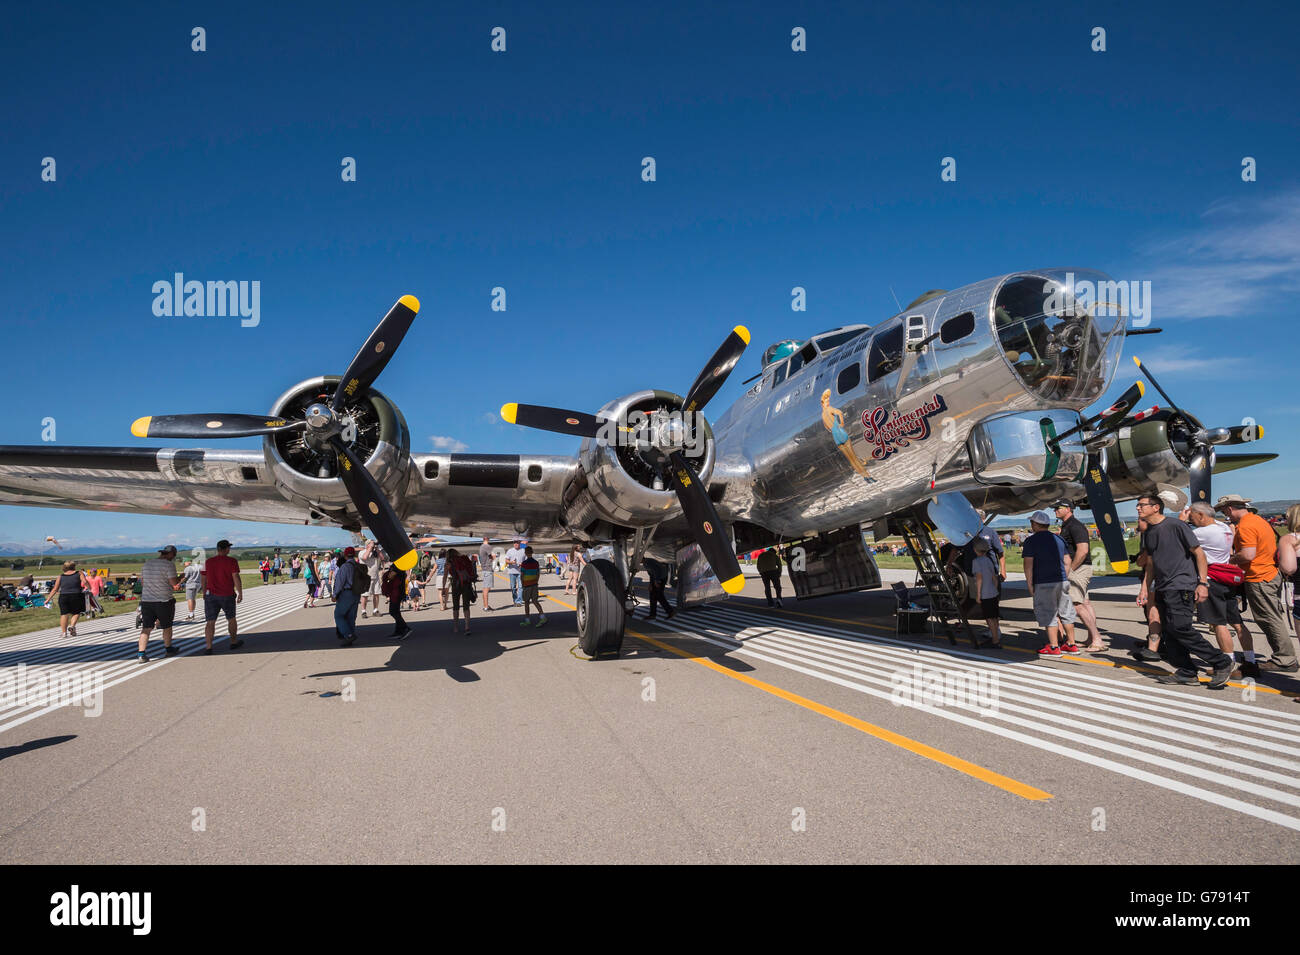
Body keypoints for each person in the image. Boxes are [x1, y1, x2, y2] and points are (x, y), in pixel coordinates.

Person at [1137, 492, 1232, 688]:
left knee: (1181, 627)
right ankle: (1187, 671)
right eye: (1137, 506)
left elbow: (1199, 553)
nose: (1138, 508)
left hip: (1182, 585)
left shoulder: (1176, 526)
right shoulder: (1150, 532)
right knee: (1170, 632)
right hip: (1163, 587)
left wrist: (1203, 583)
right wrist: (1145, 588)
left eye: (1142, 505)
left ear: (1156, 507)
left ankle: (1221, 662)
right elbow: (1151, 563)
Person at [1217, 494, 1297, 673]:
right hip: (1268, 573)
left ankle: (1285, 658)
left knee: (1268, 618)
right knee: (1271, 616)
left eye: (1224, 511)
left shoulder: (1245, 526)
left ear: (1230, 508)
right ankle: (1284, 656)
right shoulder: (1258, 520)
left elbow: (1248, 555)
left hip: (1259, 576)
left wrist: (1230, 560)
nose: (1225, 515)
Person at [1188, 502, 1253, 678]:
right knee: (1237, 622)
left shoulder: (1201, 533)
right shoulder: (1224, 527)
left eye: (1192, 516)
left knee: (1218, 623)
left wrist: (1181, 521)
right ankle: (1251, 660)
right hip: (1227, 577)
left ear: (1201, 515)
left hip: (1212, 578)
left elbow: (1179, 541)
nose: (1190, 519)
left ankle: (1227, 663)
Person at [1021, 510, 1076, 656]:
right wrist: (1064, 576)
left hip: (1043, 582)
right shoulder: (1058, 539)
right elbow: (1067, 561)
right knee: (1066, 612)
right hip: (1061, 581)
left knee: (1048, 613)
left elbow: (1028, 565)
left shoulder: (1030, 541)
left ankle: (1053, 646)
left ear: (1035, 524)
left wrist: (1029, 584)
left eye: (1032, 522)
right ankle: (1071, 643)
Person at [1054, 500, 1105, 652]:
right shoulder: (1067, 525)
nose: (1055, 510)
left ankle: (1097, 640)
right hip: (1080, 568)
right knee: (1085, 603)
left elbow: (1082, 550)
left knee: (1077, 605)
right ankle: (1091, 638)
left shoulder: (1075, 526)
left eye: (1058, 508)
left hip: (1078, 568)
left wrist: (1071, 570)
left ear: (1068, 509)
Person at [138, 545, 182, 662]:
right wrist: (181, 577)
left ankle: (141, 654)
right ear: (171, 554)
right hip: (164, 601)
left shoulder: (147, 564)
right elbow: (174, 583)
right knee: (167, 626)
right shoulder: (169, 565)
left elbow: (143, 583)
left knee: (146, 628)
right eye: (174, 555)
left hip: (146, 601)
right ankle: (168, 649)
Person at [201, 539, 244, 654]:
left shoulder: (208, 562)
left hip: (211, 595)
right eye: (229, 548)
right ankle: (233, 642)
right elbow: (236, 577)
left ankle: (208, 647)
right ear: (226, 549)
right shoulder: (232, 561)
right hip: (227, 594)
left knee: (210, 622)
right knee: (231, 619)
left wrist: (204, 592)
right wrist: (240, 592)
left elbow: (203, 578)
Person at [971, 536, 1002, 648]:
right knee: (994, 617)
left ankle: (995, 641)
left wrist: (978, 594)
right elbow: (994, 577)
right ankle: (996, 638)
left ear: (975, 549)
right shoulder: (989, 560)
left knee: (989, 618)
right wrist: (995, 588)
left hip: (985, 594)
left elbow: (979, 578)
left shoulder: (976, 562)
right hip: (993, 592)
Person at [46, 560, 89, 638]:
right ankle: (72, 626)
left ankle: (64, 633)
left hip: (63, 596)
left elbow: (55, 589)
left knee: (64, 614)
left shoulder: (60, 576)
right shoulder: (79, 573)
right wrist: (89, 587)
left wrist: (48, 599)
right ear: (74, 566)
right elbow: (85, 581)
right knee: (76, 612)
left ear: (64, 567)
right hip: (76, 595)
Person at [333, 546, 361, 645]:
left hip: (347, 593)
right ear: (354, 555)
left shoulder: (345, 566)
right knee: (351, 617)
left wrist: (335, 594)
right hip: (357, 593)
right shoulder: (358, 565)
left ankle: (348, 635)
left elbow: (340, 582)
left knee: (339, 615)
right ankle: (349, 638)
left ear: (345, 555)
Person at [443, 548, 475, 634]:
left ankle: (456, 627)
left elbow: (445, 577)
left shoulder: (448, 564)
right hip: (466, 584)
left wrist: (443, 588)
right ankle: (467, 627)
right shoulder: (463, 560)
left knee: (456, 607)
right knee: (466, 606)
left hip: (456, 585)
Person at [381, 564, 413, 639]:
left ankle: (405, 628)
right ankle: (398, 631)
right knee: (396, 611)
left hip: (396, 592)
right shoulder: (400, 566)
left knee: (393, 611)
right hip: (398, 591)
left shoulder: (397, 566)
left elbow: (390, 576)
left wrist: (386, 574)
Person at [518, 546, 547, 627]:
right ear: (532, 552)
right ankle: (542, 617)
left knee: (526, 602)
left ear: (526, 553)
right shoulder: (536, 562)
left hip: (527, 585)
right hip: (534, 584)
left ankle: (527, 620)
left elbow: (522, 575)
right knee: (535, 601)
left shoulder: (524, 563)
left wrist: (522, 584)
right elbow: (538, 574)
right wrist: (536, 581)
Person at [643, 556, 674, 620]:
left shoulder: (648, 562)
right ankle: (652, 615)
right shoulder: (645, 563)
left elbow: (656, 571)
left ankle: (671, 612)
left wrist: (657, 581)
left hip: (661, 577)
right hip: (657, 577)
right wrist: (651, 584)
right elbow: (651, 574)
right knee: (653, 595)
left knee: (659, 595)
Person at [358, 541, 381, 618]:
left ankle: (375, 610)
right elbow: (364, 557)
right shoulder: (362, 552)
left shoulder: (375, 552)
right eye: (371, 543)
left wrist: (377, 549)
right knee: (365, 595)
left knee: (376, 594)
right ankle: (363, 611)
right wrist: (370, 548)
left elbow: (383, 558)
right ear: (367, 545)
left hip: (375, 576)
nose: (373, 545)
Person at [505, 539, 525, 606]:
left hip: (520, 571)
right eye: (514, 543)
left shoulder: (523, 551)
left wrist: (522, 563)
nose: (516, 544)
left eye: (517, 543)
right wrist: (512, 562)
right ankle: (515, 600)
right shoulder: (510, 551)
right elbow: (506, 561)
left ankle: (519, 601)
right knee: (513, 587)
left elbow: (526, 560)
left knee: (520, 586)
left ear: (520, 543)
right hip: (512, 571)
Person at [479, 536, 495, 611]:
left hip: (485, 569)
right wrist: (495, 556)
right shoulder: (487, 546)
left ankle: (486, 606)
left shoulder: (482, 546)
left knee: (486, 588)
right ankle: (486, 607)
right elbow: (493, 556)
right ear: (488, 539)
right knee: (486, 589)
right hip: (488, 569)